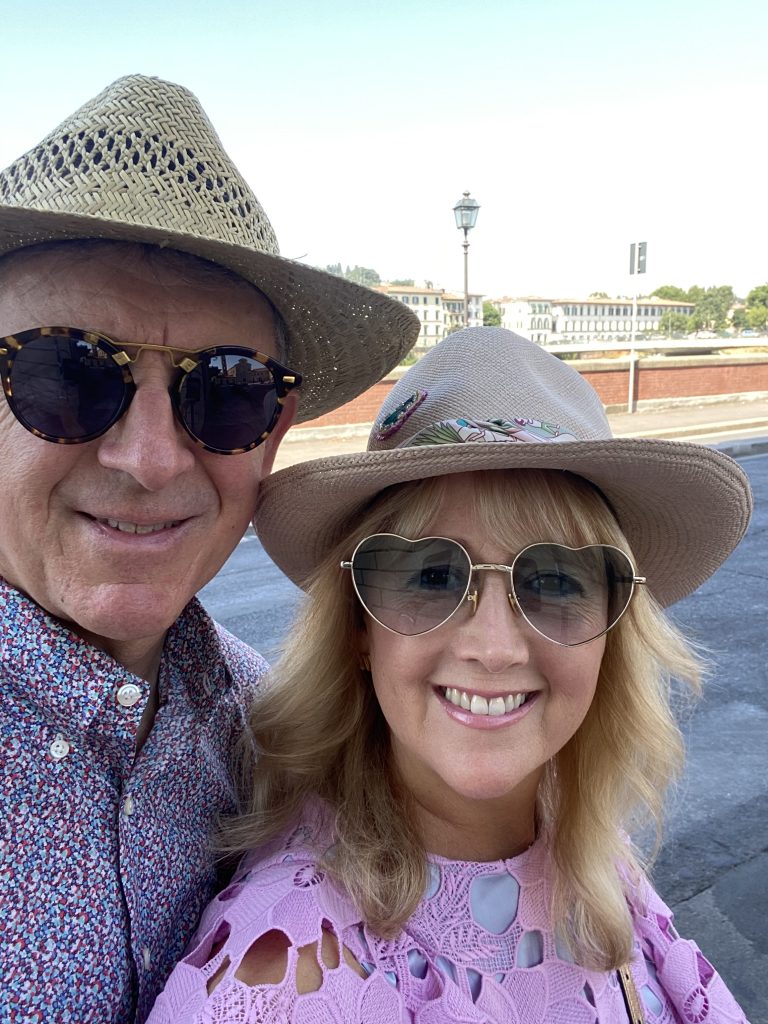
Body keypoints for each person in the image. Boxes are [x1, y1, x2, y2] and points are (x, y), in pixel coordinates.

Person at [149, 327, 751, 1023]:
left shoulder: (583, 846)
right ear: (358, 629)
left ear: (612, 631)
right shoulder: (293, 970)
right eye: (433, 575)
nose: (494, 647)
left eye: (554, 580)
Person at [0, 75, 418, 1023]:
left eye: (224, 393)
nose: (150, 460)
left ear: (273, 435)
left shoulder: (280, 734)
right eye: (69, 374)